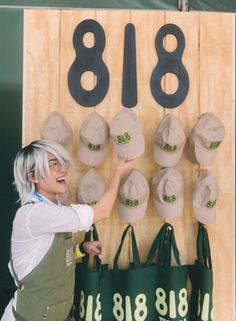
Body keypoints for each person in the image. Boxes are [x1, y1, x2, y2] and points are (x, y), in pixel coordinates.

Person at [1, 139, 135, 321]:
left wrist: (83, 249)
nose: (63, 169)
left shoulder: (53, 209)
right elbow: (101, 212)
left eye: (62, 163)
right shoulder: (34, 213)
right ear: (32, 177)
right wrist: (118, 172)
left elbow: (53, 259)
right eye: (53, 164)